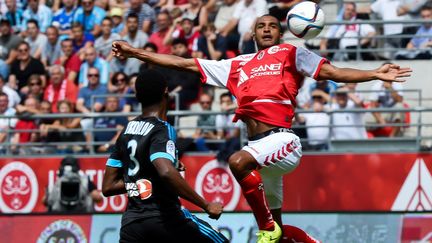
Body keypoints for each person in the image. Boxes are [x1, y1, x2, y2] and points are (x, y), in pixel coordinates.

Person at [112, 14, 411, 242]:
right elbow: (184, 64)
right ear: (253, 33)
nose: (266, 29)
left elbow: (332, 72)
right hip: (261, 153)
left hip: (282, 142)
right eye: (261, 26)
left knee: (238, 163)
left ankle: (265, 228)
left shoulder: (293, 53)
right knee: (279, 231)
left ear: (281, 33)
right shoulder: (237, 64)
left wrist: (374, 73)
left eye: (272, 25)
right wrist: (136, 52)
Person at [102, 69, 227, 243]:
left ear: (137, 95)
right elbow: (166, 172)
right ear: (166, 91)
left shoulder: (126, 131)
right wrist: (206, 205)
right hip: (165, 218)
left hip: (132, 225)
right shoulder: (162, 128)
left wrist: (143, 177)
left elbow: (108, 186)